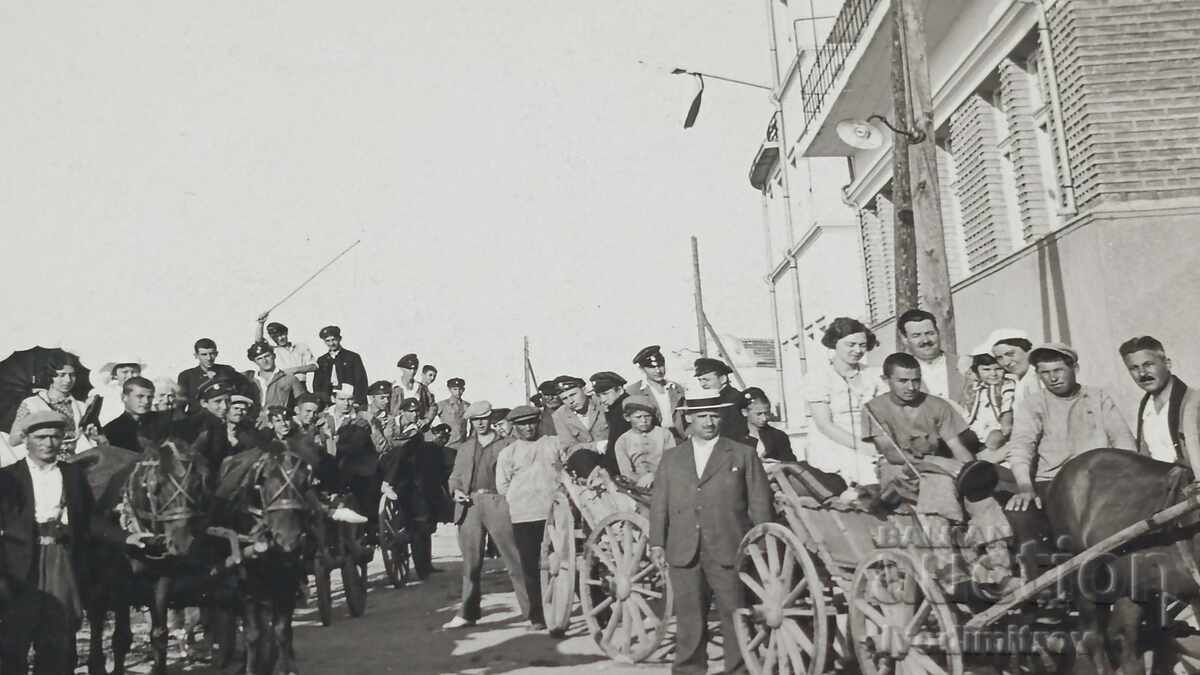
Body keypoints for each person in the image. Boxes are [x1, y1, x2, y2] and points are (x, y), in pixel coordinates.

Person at [648, 394, 771, 675]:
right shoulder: (672, 458)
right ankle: (689, 670)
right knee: (689, 619)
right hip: (684, 549)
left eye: (714, 415)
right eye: (702, 416)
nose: (709, 422)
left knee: (735, 617)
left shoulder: (742, 454)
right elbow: (659, 505)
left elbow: (760, 504)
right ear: (688, 418)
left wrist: (760, 548)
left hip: (730, 547)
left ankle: (739, 670)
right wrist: (657, 542)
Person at [1004, 343, 1139, 580]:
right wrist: (1025, 486)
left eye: (1058, 370)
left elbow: (1123, 439)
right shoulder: (1034, 404)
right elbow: (1021, 446)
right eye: (1044, 373)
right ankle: (1044, 588)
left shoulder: (1097, 397)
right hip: (1053, 483)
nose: (1052, 378)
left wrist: (1126, 476)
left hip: (1101, 481)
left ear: (1074, 368)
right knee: (1021, 515)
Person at [863, 354, 1013, 566]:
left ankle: (1000, 564)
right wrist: (937, 462)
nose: (911, 386)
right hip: (898, 472)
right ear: (886, 379)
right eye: (903, 381)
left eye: (916, 380)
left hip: (938, 468)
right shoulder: (874, 409)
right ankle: (946, 564)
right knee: (940, 484)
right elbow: (892, 454)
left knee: (979, 493)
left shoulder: (936, 405)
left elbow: (956, 446)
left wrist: (972, 473)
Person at [0, 412, 94, 674]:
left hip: (61, 561)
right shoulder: (7, 478)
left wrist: (127, 536)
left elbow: (90, 520)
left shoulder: (73, 474)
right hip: (19, 566)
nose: (48, 443)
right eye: (41, 437)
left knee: (59, 640)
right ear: (27, 440)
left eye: (55, 436)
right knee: (14, 641)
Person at [443, 401, 531, 628]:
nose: (480, 423)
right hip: (469, 505)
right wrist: (456, 491)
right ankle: (468, 613)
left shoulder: (507, 445)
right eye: (475, 420)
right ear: (470, 422)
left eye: (484, 419)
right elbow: (455, 476)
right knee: (470, 564)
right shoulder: (465, 447)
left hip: (498, 502)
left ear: (490, 419)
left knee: (513, 559)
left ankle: (532, 612)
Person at [495, 405, 560, 630]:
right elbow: (502, 486)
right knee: (531, 568)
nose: (528, 427)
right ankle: (537, 616)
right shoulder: (508, 453)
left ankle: (560, 609)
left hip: (553, 515)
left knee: (560, 564)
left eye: (532, 422)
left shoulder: (553, 444)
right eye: (522, 424)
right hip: (523, 516)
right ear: (514, 427)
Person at [804, 317, 885, 485]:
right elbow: (824, 424)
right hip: (833, 441)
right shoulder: (819, 377)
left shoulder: (873, 375)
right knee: (865, 475)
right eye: (851, 344)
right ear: (835, 343)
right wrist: (862, 447)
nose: (857, 350)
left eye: (862, 345)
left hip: (869, 438)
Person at [1120, 335, 1200, 466]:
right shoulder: (1146, 408)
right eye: (1134, 368)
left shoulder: (1194, 402)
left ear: (1167, 363)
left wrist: (1185, 468)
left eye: (1148, 364)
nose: (1142, 374)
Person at [11, 353, 98, 458]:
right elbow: (13, 440)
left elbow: (92, 440)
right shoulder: (32, 404)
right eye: (62, 375)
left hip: (78, 462)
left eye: (72, 375)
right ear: (50, 376)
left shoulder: (81, 406)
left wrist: (91, 434)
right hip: (44, 461)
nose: (68, 380)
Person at [896, 309, 968, 406]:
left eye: (930, 333)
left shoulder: (965, 365)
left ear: (938, 333)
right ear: (905, 339)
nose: (925, 340)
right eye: (916, 335)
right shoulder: (899, 376)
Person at [625, 345, 686, 441]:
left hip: (678, 439)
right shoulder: (634, 391)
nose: (658, 371)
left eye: (660, 365)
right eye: (652, 367)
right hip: (651, 441)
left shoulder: (676, 388)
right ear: (642, 369)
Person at [963, 347, 1017, 453]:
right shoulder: (975, 388)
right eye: (986, 370)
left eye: (998, 369)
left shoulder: (1007, 384)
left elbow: (1007, 405)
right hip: (977, 430)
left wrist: (1006, 425)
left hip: (999, 428)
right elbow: (968, 410)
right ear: (977, 371)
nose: (993, 374)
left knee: (995, 437)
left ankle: (985, 457)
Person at [613, 395, 673, 487]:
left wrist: (655, 476)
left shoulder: (664, 434)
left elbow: (672, 463)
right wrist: (641, 480)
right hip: (638, 485)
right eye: (638, 417)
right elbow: (626, 472)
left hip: (666, 481)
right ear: (627, 417)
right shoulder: (622, 441)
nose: (644, 420)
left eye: (647, 416)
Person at [101, 376, 170, 453]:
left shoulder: (164, 421)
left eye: (150, 397)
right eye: (140, 396)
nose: (146, 401)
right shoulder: (111, 430)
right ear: (124, 397)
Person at [243, 341, 305, 425]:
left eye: (267, 356)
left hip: (279, 424)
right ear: (255, 362)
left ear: (274, 356)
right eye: (259, 358)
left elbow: (303, 403)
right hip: (254, 425)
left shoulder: (289, 379)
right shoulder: (250, 380)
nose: (264, 361)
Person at [551, 375, 609, 465]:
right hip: (588, 464)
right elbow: (569, 449)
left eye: (573, 395)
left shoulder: (602, 402)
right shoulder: (559, 415)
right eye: (564, 398)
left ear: (584, 390)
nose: (570, 401)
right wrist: (596, 446)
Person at [177, 339, 246, 412]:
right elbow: (180, 404)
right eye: (204, 354)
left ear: (217, 354)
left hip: (222, 416)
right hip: (197, 419)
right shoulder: (186, 376)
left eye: (212, 354)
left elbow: (244, 391)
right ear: (196, 355)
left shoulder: (227, 371)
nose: (209, 358)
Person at [255, 316, 317, 389]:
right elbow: (259, 342)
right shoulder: (273, 350)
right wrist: (261, 324)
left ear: (286, 333)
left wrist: (294, 370)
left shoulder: (301, 347)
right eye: (275, 337)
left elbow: (314, 366)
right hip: (281, 386)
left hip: (300, 385)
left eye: (282, 335)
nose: (280, 338)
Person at [313, 325, 369, 407]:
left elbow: (361, 380)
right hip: (329, 400)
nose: (331, 343)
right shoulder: (322, 360)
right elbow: (317, 384)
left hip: (349, 398)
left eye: (333, 340)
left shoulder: (352, 357)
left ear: (339, 338)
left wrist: (357, 400)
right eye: (328, 341)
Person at [987, 329, 1041, 411]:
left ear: (1027, 351)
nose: (1006, 362)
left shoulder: (1036, 379)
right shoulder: (1017, 380)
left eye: (1010, 354)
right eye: (999, 358)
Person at [693, 358, 748, 439]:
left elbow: (735, 430)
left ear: (723, 379)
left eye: (706, 380)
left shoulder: (734, 399)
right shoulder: (710, 397)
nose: (702, 385)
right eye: (700, 380)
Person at [740, 387, 796, 462]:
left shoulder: (779, 436)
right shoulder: (734, 438)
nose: (764, 418)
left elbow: (791, 463)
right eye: (759, 414)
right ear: (744, 412)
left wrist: (778, 464)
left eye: (767, 413)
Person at [592, 371, 630, 476]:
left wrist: (603, 468)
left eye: (605, 394)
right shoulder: (616, 408)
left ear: (620, 389)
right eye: (599, 396)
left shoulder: (625, 409)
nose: (602, 399)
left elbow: (616, 445)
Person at [90, 358, 146, 426]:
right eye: (125, 372)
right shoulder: (105, 394)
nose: (130, 376)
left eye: (134, 372)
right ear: (115, 374)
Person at [391, 353, 437, 429]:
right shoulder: (394, 388)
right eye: (409, 369)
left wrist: (426, 420)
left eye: (415, 369)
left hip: (417, 428)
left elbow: (433, 406)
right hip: (397, 428)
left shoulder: (421, 388)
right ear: (402, 369)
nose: (412, 372)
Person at [436, 377, 470, 445]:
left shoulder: (467, 405)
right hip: (447, 444)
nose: (458, 392)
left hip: (463, 444)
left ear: (463, 390)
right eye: (455, 389)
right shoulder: (442, 405)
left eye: (460, 389)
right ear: (449, 389)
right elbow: (428, 419)